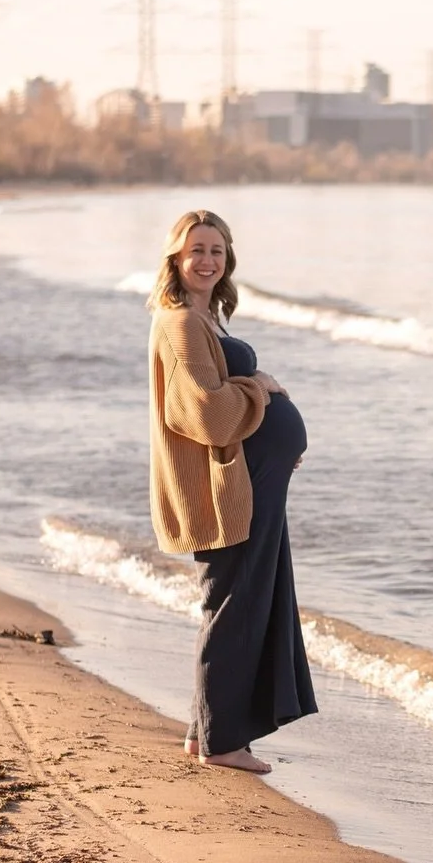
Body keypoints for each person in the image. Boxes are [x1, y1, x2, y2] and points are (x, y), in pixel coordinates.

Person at [148, 208, 317, 777]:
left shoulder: (203, 317)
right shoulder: (179, 323)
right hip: (226, 491)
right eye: (196, 249)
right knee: (232, 604)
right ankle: (223, 743)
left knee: (241, 599)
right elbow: (209, 415)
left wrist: (279, 440)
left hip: (250, 483)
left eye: (217, 251)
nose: (207, 260)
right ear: (176, 256)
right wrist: (260, 387)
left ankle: (205, 734)